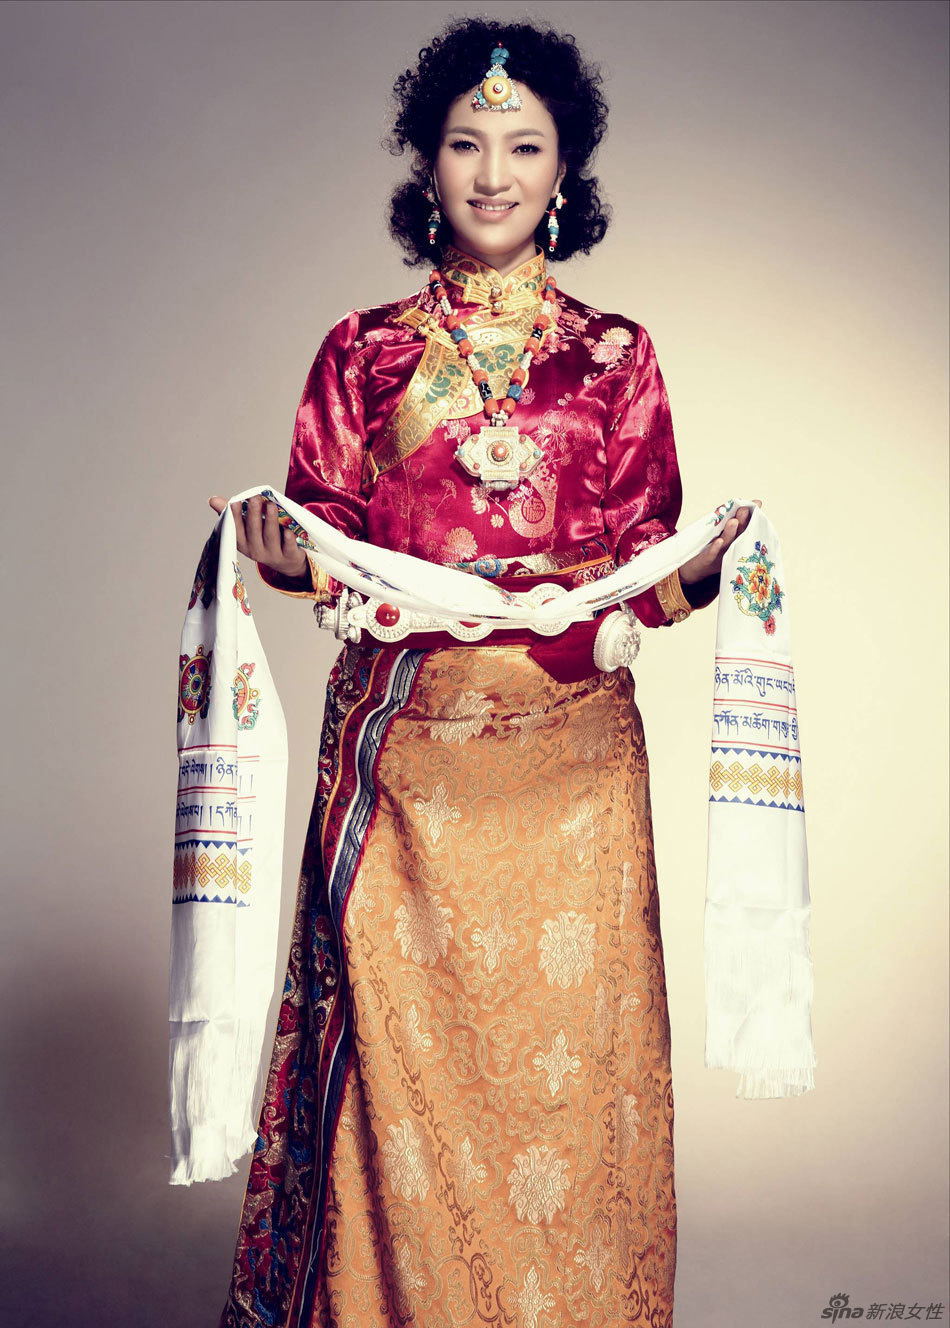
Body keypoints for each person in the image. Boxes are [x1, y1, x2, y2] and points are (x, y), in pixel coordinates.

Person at [211, 18, 755, 1328]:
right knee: (394, 1085)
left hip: (573, 774)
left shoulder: (615, 357)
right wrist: (282, 559)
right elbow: (328, 546)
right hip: (405, 773)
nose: (494, 173)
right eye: (467, 144)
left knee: (572, 1086)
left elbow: (641, 566)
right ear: (427, 162)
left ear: (565, 170)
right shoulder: (363, 352)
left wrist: (698, 576)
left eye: (524, 147)